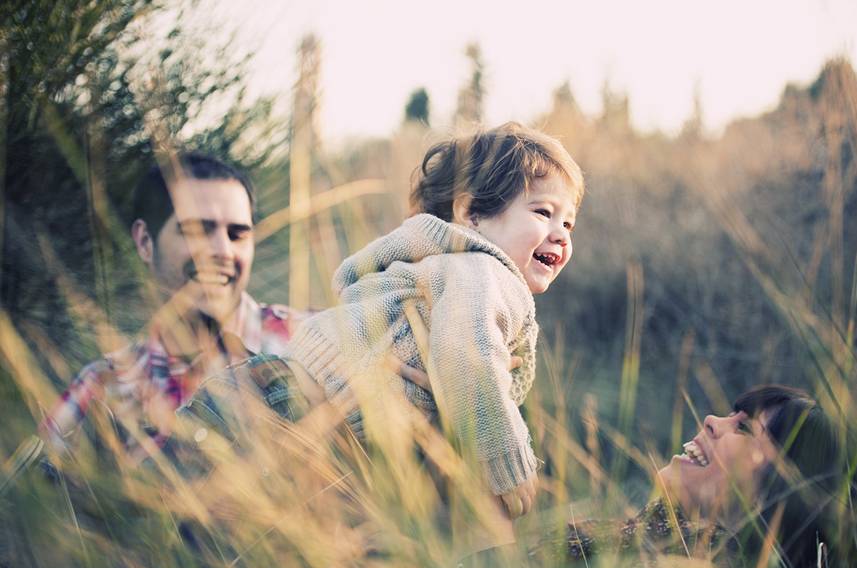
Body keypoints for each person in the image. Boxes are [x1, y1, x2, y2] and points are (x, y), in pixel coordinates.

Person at [180, 122, 584, 524]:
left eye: (568, 223)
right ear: (471, 213)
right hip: (296, 414)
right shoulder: (483, 269)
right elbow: (467, 354)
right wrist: (505, 462)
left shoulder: (426, 265)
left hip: (268, 389)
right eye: (543, 213)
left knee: (180, 518)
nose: (561, 235)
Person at [39, 153, 306, 466]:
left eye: (237, 234)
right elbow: (33, 501)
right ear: (144, 241)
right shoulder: (103, 387)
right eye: (198, 230)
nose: (223, 251)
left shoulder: (309, 340)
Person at [553, 385, 838, 568]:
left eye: (747, 428)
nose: (712, 420)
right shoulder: (645, 538)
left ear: (780, 487)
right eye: (730, 415)